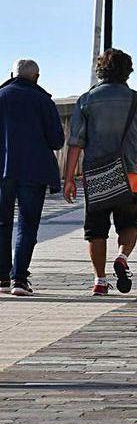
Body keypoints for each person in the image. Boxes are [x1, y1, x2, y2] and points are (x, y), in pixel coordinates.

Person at [63, 49, 137, 297]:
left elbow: (75, 144)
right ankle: (122, 256)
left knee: (96, 230)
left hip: (98, 177)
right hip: (132, 175)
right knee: (129, 224)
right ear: (128, 71)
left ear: (101, 70)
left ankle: (100, 280)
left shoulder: (86, 100)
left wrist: (69, 178)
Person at [0, 60, 64, 297]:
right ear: (37, 77)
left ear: (11, 75)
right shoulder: (43, 101)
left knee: (2, 223)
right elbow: (57, 141)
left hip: (3, 170)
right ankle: (19, 279)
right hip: (34, 171)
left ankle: (2, 278)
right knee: (27, 224)